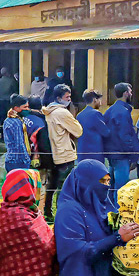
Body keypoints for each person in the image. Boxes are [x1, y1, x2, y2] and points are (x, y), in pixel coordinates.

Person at [42, 85, 83, 221]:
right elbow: (78, 131)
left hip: (53, 153)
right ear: (59, 98)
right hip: (64, 153)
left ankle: (48, 212)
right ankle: (62, 215)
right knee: (64, 187)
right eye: (67, 97)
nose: (69, 99)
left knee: (51, 186)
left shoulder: (48, 111)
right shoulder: (62, 113)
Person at [103, 83, 139, 195]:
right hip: (121, 154)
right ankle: (119, 210)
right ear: (125, 93)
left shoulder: (110, 110)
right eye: (130, 91)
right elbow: (125, 135)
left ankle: (108, 209)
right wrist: (132, 153)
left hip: (111, 154)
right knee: (121, 188)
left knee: (110, 184)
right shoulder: (123, 112)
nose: (131, 94)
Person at [75, 90, 108, 164]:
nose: (100, 103)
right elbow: (106, 132)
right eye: (99, 100)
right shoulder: (96, 114)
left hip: (82, 152)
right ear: (94, 100)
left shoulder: (79, 115)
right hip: (95, 153)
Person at [2, 95, 32, 173]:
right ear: (16, 108)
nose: (27, 109)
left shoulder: (8, 119)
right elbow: (19, 144)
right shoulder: (17, 122)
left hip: (10, 159)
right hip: (18, 161)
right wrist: (27, 159)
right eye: (24, 107)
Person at [0, 67, 18, 132]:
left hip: (1, 102)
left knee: (2, 118)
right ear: (8, 73)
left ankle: (3, 134)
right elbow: (16, 92)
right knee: (11, 118)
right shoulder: (12, 81)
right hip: (10, 102)